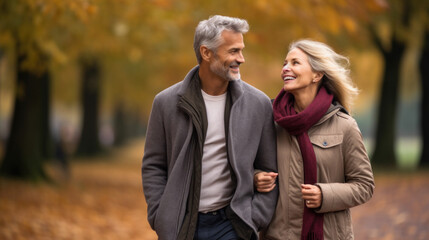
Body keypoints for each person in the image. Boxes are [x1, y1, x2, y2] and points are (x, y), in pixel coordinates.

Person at [142, 15, 278, 240]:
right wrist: (160, 215)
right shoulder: (165, 103)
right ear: (206, 53)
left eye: (241, 50)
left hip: (233, 225)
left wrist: (255, 217)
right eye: (233, 51)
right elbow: (153, 165)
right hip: (181, 225)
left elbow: (270, 169)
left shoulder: (259, 104)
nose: (241, 59)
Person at [255, 39, 375, 240]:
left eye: (295, 63)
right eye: (285, 63)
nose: (286, 68)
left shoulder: (344, 125)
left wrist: (324, 195)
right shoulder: (270, 122)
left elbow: (364, 186)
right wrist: (255, 178)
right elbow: (247, 165)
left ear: (317, 75)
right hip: (276, 235)